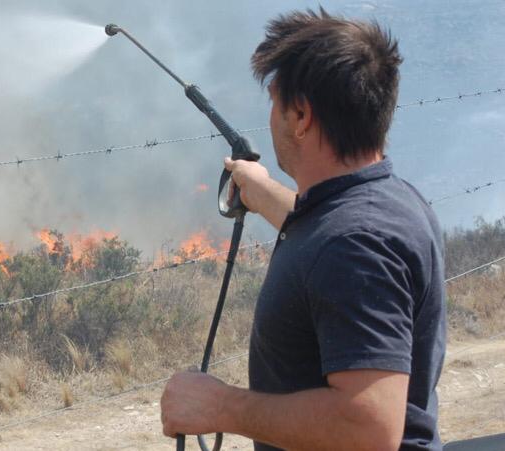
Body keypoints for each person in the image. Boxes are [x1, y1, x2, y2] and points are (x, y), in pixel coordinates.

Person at [160, 8, 446, 451]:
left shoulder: (355, 244)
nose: (271, 117)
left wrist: (221, 406)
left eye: (276, 101)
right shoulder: (385, 200)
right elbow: (327, 232)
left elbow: (368, 429)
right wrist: (262, 191)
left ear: (301, 116)